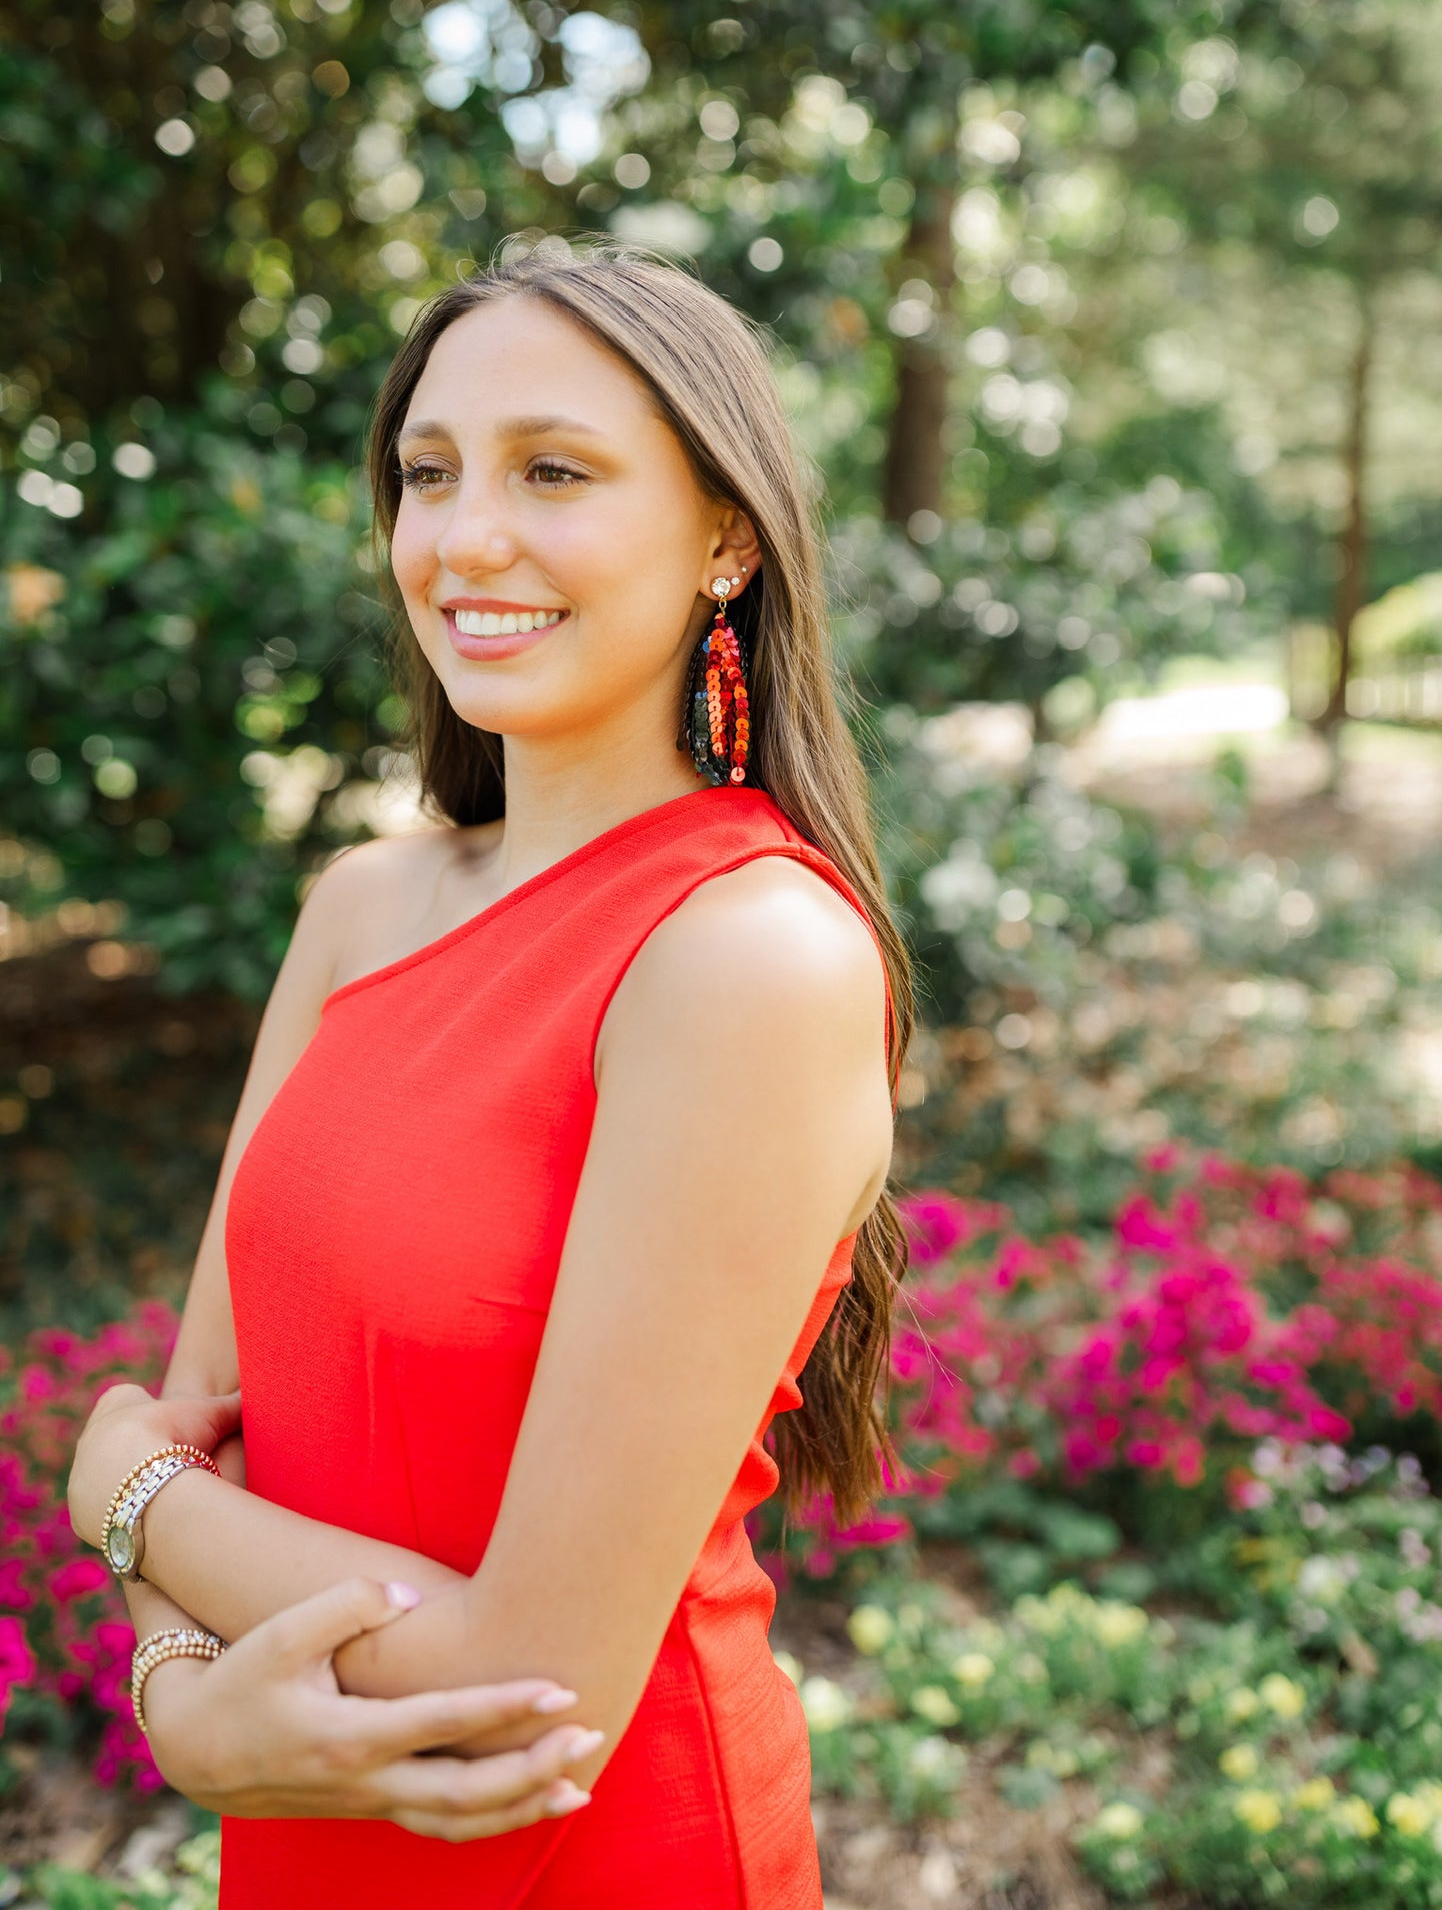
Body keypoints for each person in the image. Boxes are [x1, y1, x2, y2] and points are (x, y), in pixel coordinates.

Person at [68, 233, 914, 1907]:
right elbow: (207, 1417)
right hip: (305, 1825)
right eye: (428, 473)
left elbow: (529, 1674)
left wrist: (120, 1490)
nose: (465, 537)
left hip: (595, 1851)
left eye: (555, 471)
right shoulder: (364, 906)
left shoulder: (745, 953)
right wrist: (183, 1708)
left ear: (724, 539)